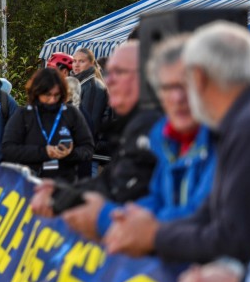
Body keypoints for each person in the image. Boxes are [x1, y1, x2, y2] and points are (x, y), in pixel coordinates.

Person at [103, 21, 250, 263]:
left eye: (182, 85)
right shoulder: (238, 123)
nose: (177, 98)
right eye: (167, 88)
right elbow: (209, 214)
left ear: (197, 77)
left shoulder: (247, 127)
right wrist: (137, 226)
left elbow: (234, 237)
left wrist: (153, 234)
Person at [61, 35, 216, 240]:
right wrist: (62, 197)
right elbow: (153, 196)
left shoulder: (221, 138)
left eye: (120, 72)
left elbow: (209, 218)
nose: (109, 80)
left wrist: (105, 217)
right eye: (168, 88)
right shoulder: (163, 133)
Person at [30, 41, 161, 217]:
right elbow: (110, 182)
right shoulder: (132, 126)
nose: (109, 80)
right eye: (109, 72)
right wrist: (62, 193)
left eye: (120, 72)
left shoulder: (157, 128)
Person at [2, 68, 93, 182]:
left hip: (63, 184)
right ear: (37, 92)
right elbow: (8, 149)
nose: (52, 100)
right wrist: (44, 152)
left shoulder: (71, 113)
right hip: (31, 183)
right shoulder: (24, 115)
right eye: (47, 95)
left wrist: (70, 154)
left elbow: (87, 148)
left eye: (56, 95)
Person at [72, 47, 109, 139]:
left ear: (91, 63)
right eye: (74, 61)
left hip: (90, 146)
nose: (76, 65)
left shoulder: (93, 87)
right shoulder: (81, 84)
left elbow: (89, 125)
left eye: (81, 61)